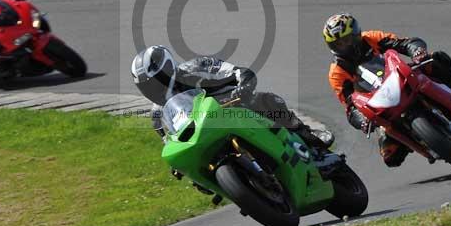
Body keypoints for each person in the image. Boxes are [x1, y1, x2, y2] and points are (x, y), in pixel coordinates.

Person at [323, 13, 451, 168]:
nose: (345, 46)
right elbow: (350, 106)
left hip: (402, 77)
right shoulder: (336, 72)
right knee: (391, 157)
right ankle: (423, 142)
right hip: (380, 103)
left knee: (433, 61)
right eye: (339, 44)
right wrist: (362, 120)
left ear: (357, 34)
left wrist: (417, 51)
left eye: (347, 40)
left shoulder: (371, 38)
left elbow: (403, 43)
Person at [130, 45, 334, 154]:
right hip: (205, 134)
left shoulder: (196, 66)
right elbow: (170, 143)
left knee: (267, 100)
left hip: (233, 105)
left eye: (155, 82)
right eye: (147, 86)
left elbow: (233, 70)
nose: (154, 89)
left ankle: (305, 134)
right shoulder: (157, 114)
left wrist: (242, 80)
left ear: (168, 68)